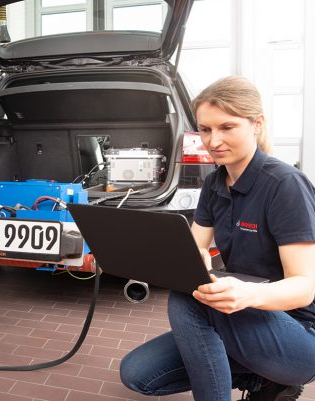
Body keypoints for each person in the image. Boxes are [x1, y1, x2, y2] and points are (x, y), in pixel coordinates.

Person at [119, 76, 315, 401]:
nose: (214, 140)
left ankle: (265, 377)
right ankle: (263, 380)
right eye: (205, 129)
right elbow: (196, 246)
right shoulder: (214, 184)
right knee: (139, 374)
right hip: (240, 317)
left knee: (187, 298)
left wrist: (247, 294)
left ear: (257, 124)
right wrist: (172, 261)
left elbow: (305, 287)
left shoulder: (285, 185)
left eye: (227, 127)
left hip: (297, 332)